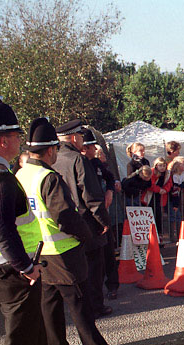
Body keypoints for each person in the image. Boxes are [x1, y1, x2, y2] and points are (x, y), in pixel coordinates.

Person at [0, 97, 68, 345]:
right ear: (3, 140)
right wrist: (26, 266)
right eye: (17, 135)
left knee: (32, 326)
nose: (21, 140)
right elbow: (2, 229)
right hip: (8, 269)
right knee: (19, 335)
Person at [16, 118, 124, 345]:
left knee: (50, 303)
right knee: (80, 302)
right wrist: (87, 234)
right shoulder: (48, 177)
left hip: (37, 251)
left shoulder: (22, 174)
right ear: (51, 149)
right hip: (62, 250)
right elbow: (66, 217)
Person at [53, 119, 112, 319]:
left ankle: (83, 307)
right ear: (74, 137)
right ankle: (96, 306)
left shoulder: (53, 159)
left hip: (65, 223)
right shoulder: (78, 160)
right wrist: (103, 221)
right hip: (87, 222)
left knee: (77, 269)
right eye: (79, 136)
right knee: (95, 269)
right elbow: (91, 195)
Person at [81, 129, 120, 300]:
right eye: (89, 147)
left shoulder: (96, 164)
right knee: (91, 258)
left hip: (102, 212)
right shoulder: (78, 163)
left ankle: (112, 286)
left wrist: (110, 190)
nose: (91, 150)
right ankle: (92, 293)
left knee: (108, 252)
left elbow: (110, 177)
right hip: (87, 216)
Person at [168, 156, 184, 235]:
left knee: (181, 215)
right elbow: (175, 187)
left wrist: (182, 185)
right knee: (174, 215)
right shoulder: (173, 175)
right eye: (183, 164)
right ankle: (173, 234)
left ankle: (181, 233)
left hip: (181, 195)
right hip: (174, 197)